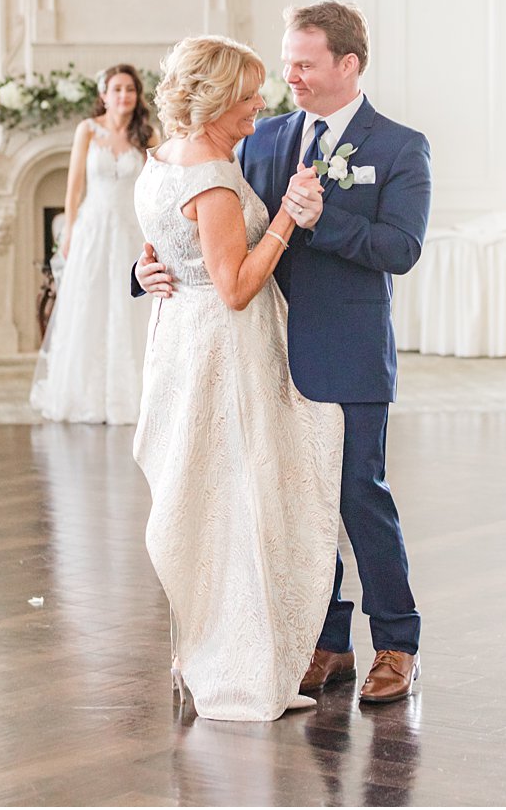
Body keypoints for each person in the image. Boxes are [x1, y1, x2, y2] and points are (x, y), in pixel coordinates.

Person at [138, 0, 432, 704]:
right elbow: (209, 224)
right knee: (286, 498)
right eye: (287, 60)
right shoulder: (262, 137)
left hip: (345, 347)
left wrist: (323, 220)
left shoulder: (399, 146)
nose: (288, 78)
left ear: (347, 64)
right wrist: (145, 268)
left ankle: (396, 641)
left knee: (357, 496)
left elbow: (402, 249)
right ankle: (324, 640)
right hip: (254, 353)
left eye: (303, 63)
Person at [132, 35, 343, 721]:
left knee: (204, 499)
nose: (261, 104)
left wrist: (147, 267)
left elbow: (162, 242)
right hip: (225, 352)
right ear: (219, 99)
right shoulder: (214, 175)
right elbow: (237, 286)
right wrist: (286, 211)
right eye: (249, 94)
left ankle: (203, 649)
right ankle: (239, 665)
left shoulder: (161, 158)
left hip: (179, 346)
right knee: (240, 500)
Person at [30, 64, 157, 424]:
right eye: (116, 89)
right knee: (89, 303)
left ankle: (130, 396)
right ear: (103, 95)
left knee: (128, 305)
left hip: (132, 229)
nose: (123, 96)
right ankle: (84, 396)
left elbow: (157, 184)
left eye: (129, 89)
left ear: (137, 95)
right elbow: (73, 188)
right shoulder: (87, 130)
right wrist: (69, 231)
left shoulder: (148, 134)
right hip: (93, 229)